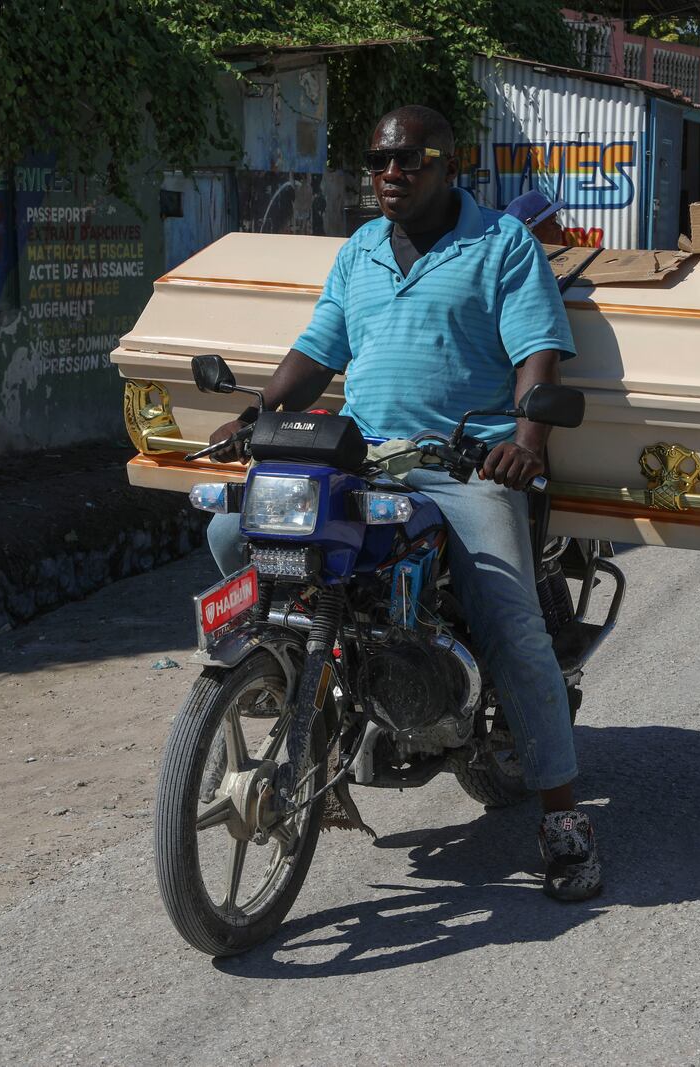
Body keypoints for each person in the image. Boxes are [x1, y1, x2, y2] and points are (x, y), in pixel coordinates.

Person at [204, 105, 602, 902]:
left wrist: (526, 441)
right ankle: (302, 694)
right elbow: (316, 352)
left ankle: (563, 818)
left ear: (446, 165)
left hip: (464, 467)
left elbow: (537, 357)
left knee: (512, 624)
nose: (390, 175)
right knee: (230, 529)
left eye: (408, 161)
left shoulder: (502, 246)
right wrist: (259, 416)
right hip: (365, 460)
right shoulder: (358, 253)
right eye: (378, 162)